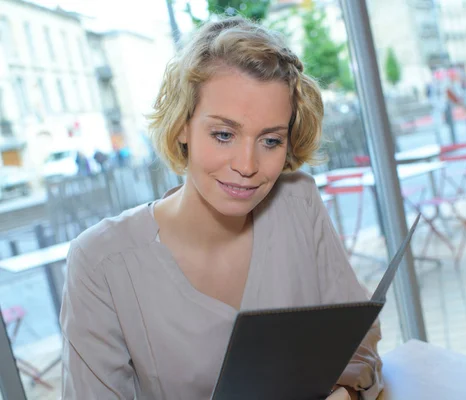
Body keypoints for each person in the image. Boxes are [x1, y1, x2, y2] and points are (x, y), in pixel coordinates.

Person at [60, 16, 383, 400]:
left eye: (270, 140)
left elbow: (358, 345)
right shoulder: (101, 263)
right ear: (182, 125)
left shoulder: (298, 202)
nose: (247, 166)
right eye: (224, 134)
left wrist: (345, 392)